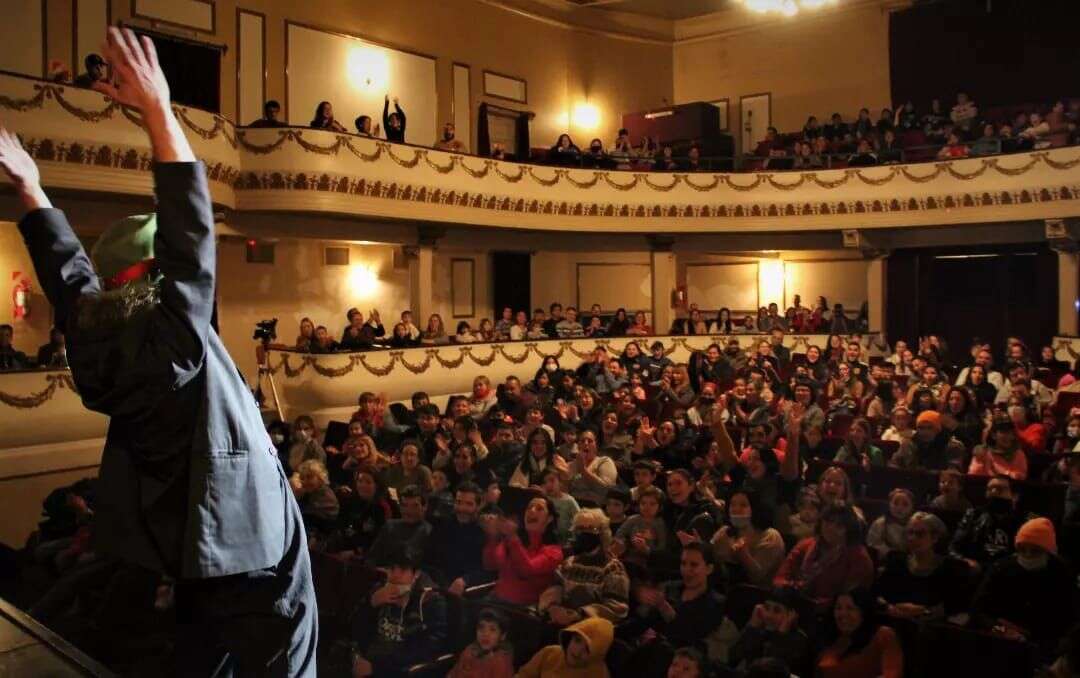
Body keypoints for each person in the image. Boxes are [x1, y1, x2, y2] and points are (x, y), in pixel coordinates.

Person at [2, 27, 316, 674]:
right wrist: (157, 112)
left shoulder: (94, 332)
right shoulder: (174, 338)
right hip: (246, 547)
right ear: (151, 280)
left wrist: (32, 191)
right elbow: (191, 233)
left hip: (184, 550)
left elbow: (70, 279)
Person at [972, 518, 1077, 658]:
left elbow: (1070, 618)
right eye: (1022, 549)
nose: (1027, 555)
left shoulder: (1062, 574)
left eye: (1035, 551)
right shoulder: (1001, 568)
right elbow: (977, 609)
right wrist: (1002, 629)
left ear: (1048, 551)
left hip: (1043, 644)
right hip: (1000, 638)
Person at [351, 549, 448, 677]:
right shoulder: (380, 589)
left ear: (416, 574)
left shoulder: (431, 601)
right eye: (391, 569)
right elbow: (355, 628)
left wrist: (376, 668)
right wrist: (371, 604)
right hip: (370, 656)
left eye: (402, 570)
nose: (395, 575)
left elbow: (428, 647)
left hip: (398, 668)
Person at [874, 511, 973, 621]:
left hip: (931, 629)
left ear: (935, 538)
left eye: (920, 534)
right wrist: (888, 607)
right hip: (892, 621)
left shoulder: (951, 568)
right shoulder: (896, 561)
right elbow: (877, 593)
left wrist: (924, 612)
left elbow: (958, 606)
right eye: (910, 532)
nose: (912, 538)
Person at [541, 508, 629, 626]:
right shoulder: (569, 562)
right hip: (560, 621)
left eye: (590, 528)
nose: (584, 533)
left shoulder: (613, 567)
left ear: (602, 533)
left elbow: (617, 607)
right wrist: (553, 607)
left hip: (590, 627)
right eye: (580, 528)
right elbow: (554, 587)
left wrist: (580, 614)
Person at [773, 504, 874, 607]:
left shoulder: (859, 557)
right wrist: (788, 589)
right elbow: (780, 577)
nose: (831, 528)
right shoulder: (805, 544)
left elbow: (849, 599)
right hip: (793, 603)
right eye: (828, 522)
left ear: (849, 529)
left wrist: (812, 604)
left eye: (839, 525)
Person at [482, 493, 563, 606]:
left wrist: (512, 537)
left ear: (549, 518)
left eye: (539, 508)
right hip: (496, 600)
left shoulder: (554, 551)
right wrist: (492, 536)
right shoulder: (514, 540)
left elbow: (526, 571)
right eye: (529, 507)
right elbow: (490, 565)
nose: (532, 511)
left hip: (523, 609)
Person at [950, 475, 1031, 572]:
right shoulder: (973, 515)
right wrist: (966, 562)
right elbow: (953, 548)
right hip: (975, 571)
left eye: (1000, 489)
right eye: (990, 489)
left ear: (1015, 496)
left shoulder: (1026, 521)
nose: (993, 492)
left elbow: (1028, 555)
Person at [815, 590, 903, 678]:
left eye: (850, 608)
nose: (843, 613)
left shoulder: (883, 635)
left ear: (863, 612)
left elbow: (891, 675)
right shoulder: (828, 638)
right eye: (838, 608)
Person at [730, 586, 813, 675]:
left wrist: (781, 634)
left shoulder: (799, 639)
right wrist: (752, 627)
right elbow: (733, 657)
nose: (768, 615)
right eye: (766, 608)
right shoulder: (760, 630)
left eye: (777, 611)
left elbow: (770, 672)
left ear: (791, 615)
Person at [517, 617, 614, 677]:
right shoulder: (550, 652)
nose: (578, 651)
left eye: (588, 649)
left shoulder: (599, 673)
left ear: (596, 655)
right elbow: (524, 674)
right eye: (577, 640)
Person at [366, 485, 432, 567]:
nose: (409, 511)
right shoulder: (389, 527)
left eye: (415, 506)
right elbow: (372, 558)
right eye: (404, 505)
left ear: (424, 507)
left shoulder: (429, 532)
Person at [447, 607, 515, 678]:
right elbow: (453, 673)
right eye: (481, 627)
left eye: (492, 630)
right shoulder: (470, 650)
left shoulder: (500, 663)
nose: (485, 634)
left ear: (502, 636)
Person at [866, 488, 915, 560]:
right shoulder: (880, 524)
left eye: (905, 504)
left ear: (912, 507)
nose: (899, 508)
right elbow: (872, 543)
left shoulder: (915, 525)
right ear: (889, 504)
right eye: (895, 503)